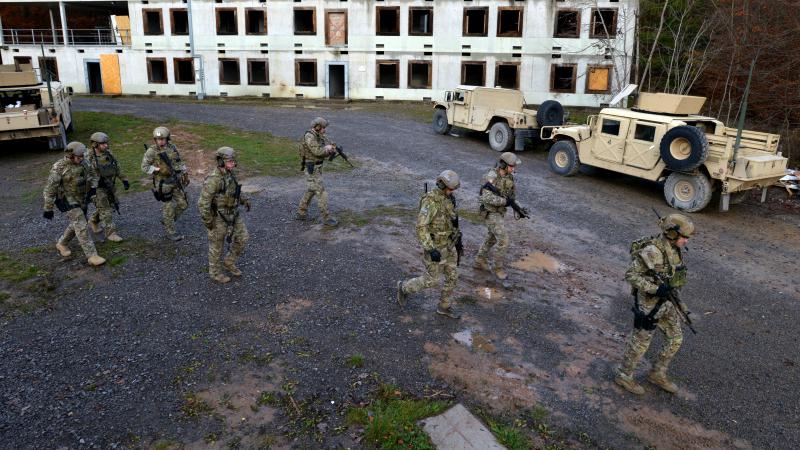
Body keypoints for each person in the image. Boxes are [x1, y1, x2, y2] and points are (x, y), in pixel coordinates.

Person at [615, 213, 695, 395]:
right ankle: (624, 375)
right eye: (684, 237)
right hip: (649, 306)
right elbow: (631, 275)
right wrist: (655, 289)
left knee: (676, 339)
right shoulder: (652, 251)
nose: (686, 241)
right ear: (672, 234)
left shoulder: (674, 249)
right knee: (640, 344)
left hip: (667, 303)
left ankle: (657, 373)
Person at [396, 170, 463, 319]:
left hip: (449, 246)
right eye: (451, 189)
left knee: (453, 277)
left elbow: (451, 220)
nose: (453, 192)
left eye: (454, 189)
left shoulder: (449, 198)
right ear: (441, 184)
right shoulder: (430, 201)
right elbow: (421, 227)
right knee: (431, 280)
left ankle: (444, 306)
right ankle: (404, 287)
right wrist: (430, 248)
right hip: (436, 248)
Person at [42, 141, 106, 266]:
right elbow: (50, 189)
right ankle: (92, 255)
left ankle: (61, 244)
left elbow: (93, 175)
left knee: (76, 223)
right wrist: (48, 208)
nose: (81, 159)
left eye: (82, 156)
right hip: (67, 200)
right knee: (81, 225)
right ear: (70, 155)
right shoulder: (59, 168)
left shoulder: (85, 163)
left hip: (82, 198)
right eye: (78, 157)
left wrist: (93, 187)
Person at [197, 147, 250, 284]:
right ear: (221, 161)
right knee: (217, 245)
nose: (234, 164)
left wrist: (244, 199)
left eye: (234, 161)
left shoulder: (230, 174)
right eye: (230, 161)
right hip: (219, 217)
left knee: (243, 237)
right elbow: (203, 203)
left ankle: (229, 261)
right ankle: (215, 273)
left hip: (233, 213)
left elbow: (234, 190)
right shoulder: (213, 180)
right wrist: (209, 222)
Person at [475, 152, 523, 280]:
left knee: (492, 238)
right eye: (512, 166)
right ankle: (497, 268)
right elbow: (486, 197)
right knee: (503, 240)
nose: (514, 168)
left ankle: (480, 259)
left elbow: (511, 197)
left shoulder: (510, 177)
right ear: (503, 164)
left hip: (500, 212)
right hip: (490, 212)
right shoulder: (491, 177)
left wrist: (518, 208)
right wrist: (504, 202)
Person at [141, 126, 189, 241]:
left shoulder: (172, 147)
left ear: (167, 138)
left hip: (175, 181)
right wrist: (157, 169)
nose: (160, 141)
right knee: (169, 207)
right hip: (163, 184)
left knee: (184, 204)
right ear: (155, 140)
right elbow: (144, 167)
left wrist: (184, 172)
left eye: (163, 139)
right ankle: (170, 232)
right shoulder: (152, 151)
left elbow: (179, 161)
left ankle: (168, 220)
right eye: (158, 139)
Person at [86, 131, 129, 242]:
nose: (106, 145)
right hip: (97, 188)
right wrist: (93, 185)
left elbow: (117, 167)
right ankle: (111, 233)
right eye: (103, 144)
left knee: (112, 206)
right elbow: (84, 174)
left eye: (106, 143)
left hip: (109, 185)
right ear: (95, 144)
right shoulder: (88, 157)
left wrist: (124, 179)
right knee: (106, 210)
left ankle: (93, 221)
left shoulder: (109, 154)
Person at [296, 117, 337, 227]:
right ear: (317, 127)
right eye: (323, 128)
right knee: (321, 192)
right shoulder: (309, 136)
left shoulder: (319, 135)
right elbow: (317, 151)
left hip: (317, 167)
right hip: (311, 167)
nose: (325, 130)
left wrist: (331, 150)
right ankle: (326, 217)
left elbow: (323, 151)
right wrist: (327, 149)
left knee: (312, 189)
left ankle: (301, 211)